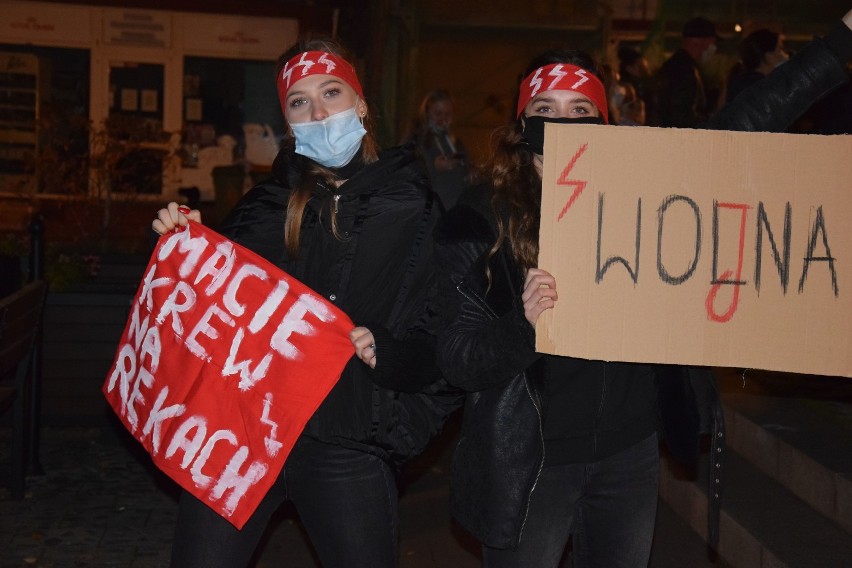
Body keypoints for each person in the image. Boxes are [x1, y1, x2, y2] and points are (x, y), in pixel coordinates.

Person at [434, 10, 852, 567]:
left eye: (580, 109)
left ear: (604, 121)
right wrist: (521, 327)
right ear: (520, 123)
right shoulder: (478, 217)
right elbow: (457, 356)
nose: (563, 122)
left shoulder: (643, 181)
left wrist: (841, 42)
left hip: (627, 458)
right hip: (532, 465)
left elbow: (750, 117)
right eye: (545, 110)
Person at [153, 38, 461, 568]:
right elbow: (215, 319)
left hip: (346, 444)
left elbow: (443, 337)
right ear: (288, 121)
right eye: (300, 101)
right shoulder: (265, 208)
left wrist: (389, 353)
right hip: (242, 439)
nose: (318, 112)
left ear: (360, 104)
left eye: (331, 92)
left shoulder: (412, 208)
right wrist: (191, 248)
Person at [402, 88, 471, 210]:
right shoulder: (415, 140)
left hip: (454, 209)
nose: (443, 119)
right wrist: (434, 167)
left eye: (447, 114)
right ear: (427, 113)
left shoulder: (456, 143)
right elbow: (405, 173)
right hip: (428, 211)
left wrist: (472, 176)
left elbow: (466, 172)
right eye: (438, 113)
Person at [653, 16, 720, 127]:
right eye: (712, 43)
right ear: (702, 42)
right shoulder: (685, 69)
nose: (713, 48)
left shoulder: (676, 65)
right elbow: (681, 115)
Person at [725, 28, 789, 103]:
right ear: (768, 56)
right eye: (780, 49)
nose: (785, 55)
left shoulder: (738, 81)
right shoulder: (765, 87)